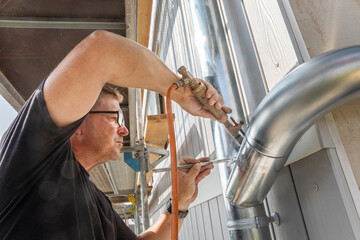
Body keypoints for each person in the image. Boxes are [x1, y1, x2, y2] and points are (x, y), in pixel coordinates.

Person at [0, 30, 231, 240]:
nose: (125, 129)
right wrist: (179, 92)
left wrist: (178, 204)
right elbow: (101, 51)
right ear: (79, 122)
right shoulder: (32, 158)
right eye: (115, 118)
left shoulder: (99, 203)